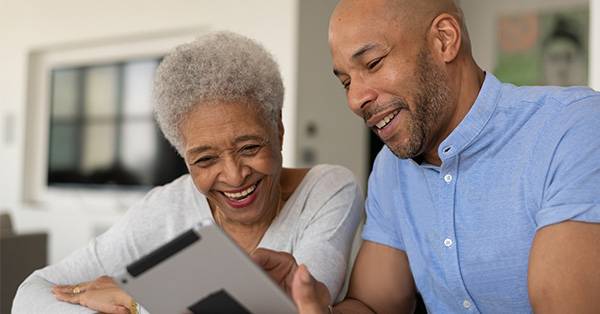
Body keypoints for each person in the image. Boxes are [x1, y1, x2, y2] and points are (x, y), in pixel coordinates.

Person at [253, 0, 600, 313]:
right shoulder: (391, 167)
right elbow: (375, 306)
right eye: (346, 82)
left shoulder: (572, 128)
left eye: (372, 63)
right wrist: (307, 305)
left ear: (444, 40)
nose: (355, 99)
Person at [13, 31, 362, 313]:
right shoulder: (166, 207)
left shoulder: (328, 189)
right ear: (184, 157)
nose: (234, 175)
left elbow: (297, 306)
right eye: (205, 159)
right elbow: (31, 294)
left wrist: (137, 305)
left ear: (279, 131)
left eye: (250, 148)